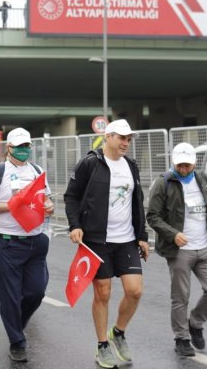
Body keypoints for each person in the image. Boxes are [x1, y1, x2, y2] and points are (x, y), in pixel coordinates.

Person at [64, 119, 149, 368]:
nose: (125, 143)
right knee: (103, 293)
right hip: (97, 240)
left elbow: (137, 203)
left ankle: (118, 333)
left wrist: (142, 236)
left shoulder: (131, 166)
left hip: (126, 240)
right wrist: (75, 225)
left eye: (129, 139)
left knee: (135, 291)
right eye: (121, 138)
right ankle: (102, 344)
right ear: (108, 136)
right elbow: (71, 195)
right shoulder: (91, 163)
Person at [0, 128, 54, 363]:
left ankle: (16, 324)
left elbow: (47, 198)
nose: (24, 150)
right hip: (9, 241)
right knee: (11, 295)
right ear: (9, 148)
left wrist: (49, 206)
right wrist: (12, 205)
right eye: (19, 146)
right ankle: (17, 342)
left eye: (27, 146)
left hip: (36, 239)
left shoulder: (37, 171)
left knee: (37, 291)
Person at [146, 143, 207, 357]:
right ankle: (181, 338)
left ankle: (196, 323)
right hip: (180, 250)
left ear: (194, 163)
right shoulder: (163, 183)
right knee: (180, 296)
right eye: (179, 165)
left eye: (187, 165)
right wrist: (173, 234)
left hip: (206, 246)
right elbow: (152, 216)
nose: (183, 169)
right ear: (173, 162)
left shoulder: (205, 180)